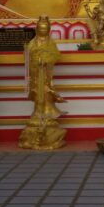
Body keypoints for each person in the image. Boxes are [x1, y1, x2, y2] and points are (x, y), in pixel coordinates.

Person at [19, 15, 67, 150]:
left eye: (45, 29)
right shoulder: (32, 43)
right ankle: (37, 115)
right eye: (41, 28)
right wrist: (33, 59)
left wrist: (46, 61)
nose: (43, 31)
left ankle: (47, 116)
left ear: (49, 30)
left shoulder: (51, 43)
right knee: (37, 94)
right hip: (36, 74)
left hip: (45, 73)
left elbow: (56, 56)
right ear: (37, 29)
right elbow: (28, 57)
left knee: (46, 94)